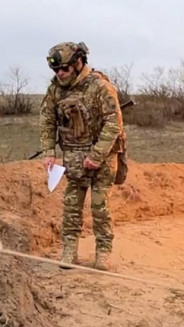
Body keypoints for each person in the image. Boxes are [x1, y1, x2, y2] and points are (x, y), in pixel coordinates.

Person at [39, 42, 125, 270]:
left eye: (64, 69)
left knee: (100, 206)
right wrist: (49, 152)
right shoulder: (55, 89)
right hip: (74, 156)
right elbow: (48, 120)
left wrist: (96, 156)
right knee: (71, 205)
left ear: (78, 63)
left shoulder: (100, 87)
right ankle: (69, 250)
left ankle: (103, 252)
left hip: (103, 157)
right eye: (56, 70)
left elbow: (113, 124)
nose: (60, 74)